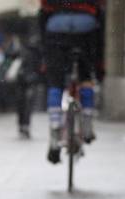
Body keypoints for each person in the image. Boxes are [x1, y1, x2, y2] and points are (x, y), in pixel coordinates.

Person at [40, 0, 105, 164]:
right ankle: (88, 124)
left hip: (56, 27)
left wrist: (45, 58)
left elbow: (44, 10)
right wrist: (99, 65)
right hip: (86, 27)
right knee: (85, 76)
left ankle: (55, 131)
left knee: (55, 81)